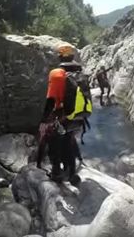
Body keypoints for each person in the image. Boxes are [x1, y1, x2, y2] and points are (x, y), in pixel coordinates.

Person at [37, 44, 91, 185]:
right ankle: (72, 174)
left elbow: (51, 100)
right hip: (78, 117)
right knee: (69, 141)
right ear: (72, 57)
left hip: (62, 116)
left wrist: (43, 120)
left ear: (60, 57)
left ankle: (56, 174)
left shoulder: (56, 74)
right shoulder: (80, 73)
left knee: (54, 143)